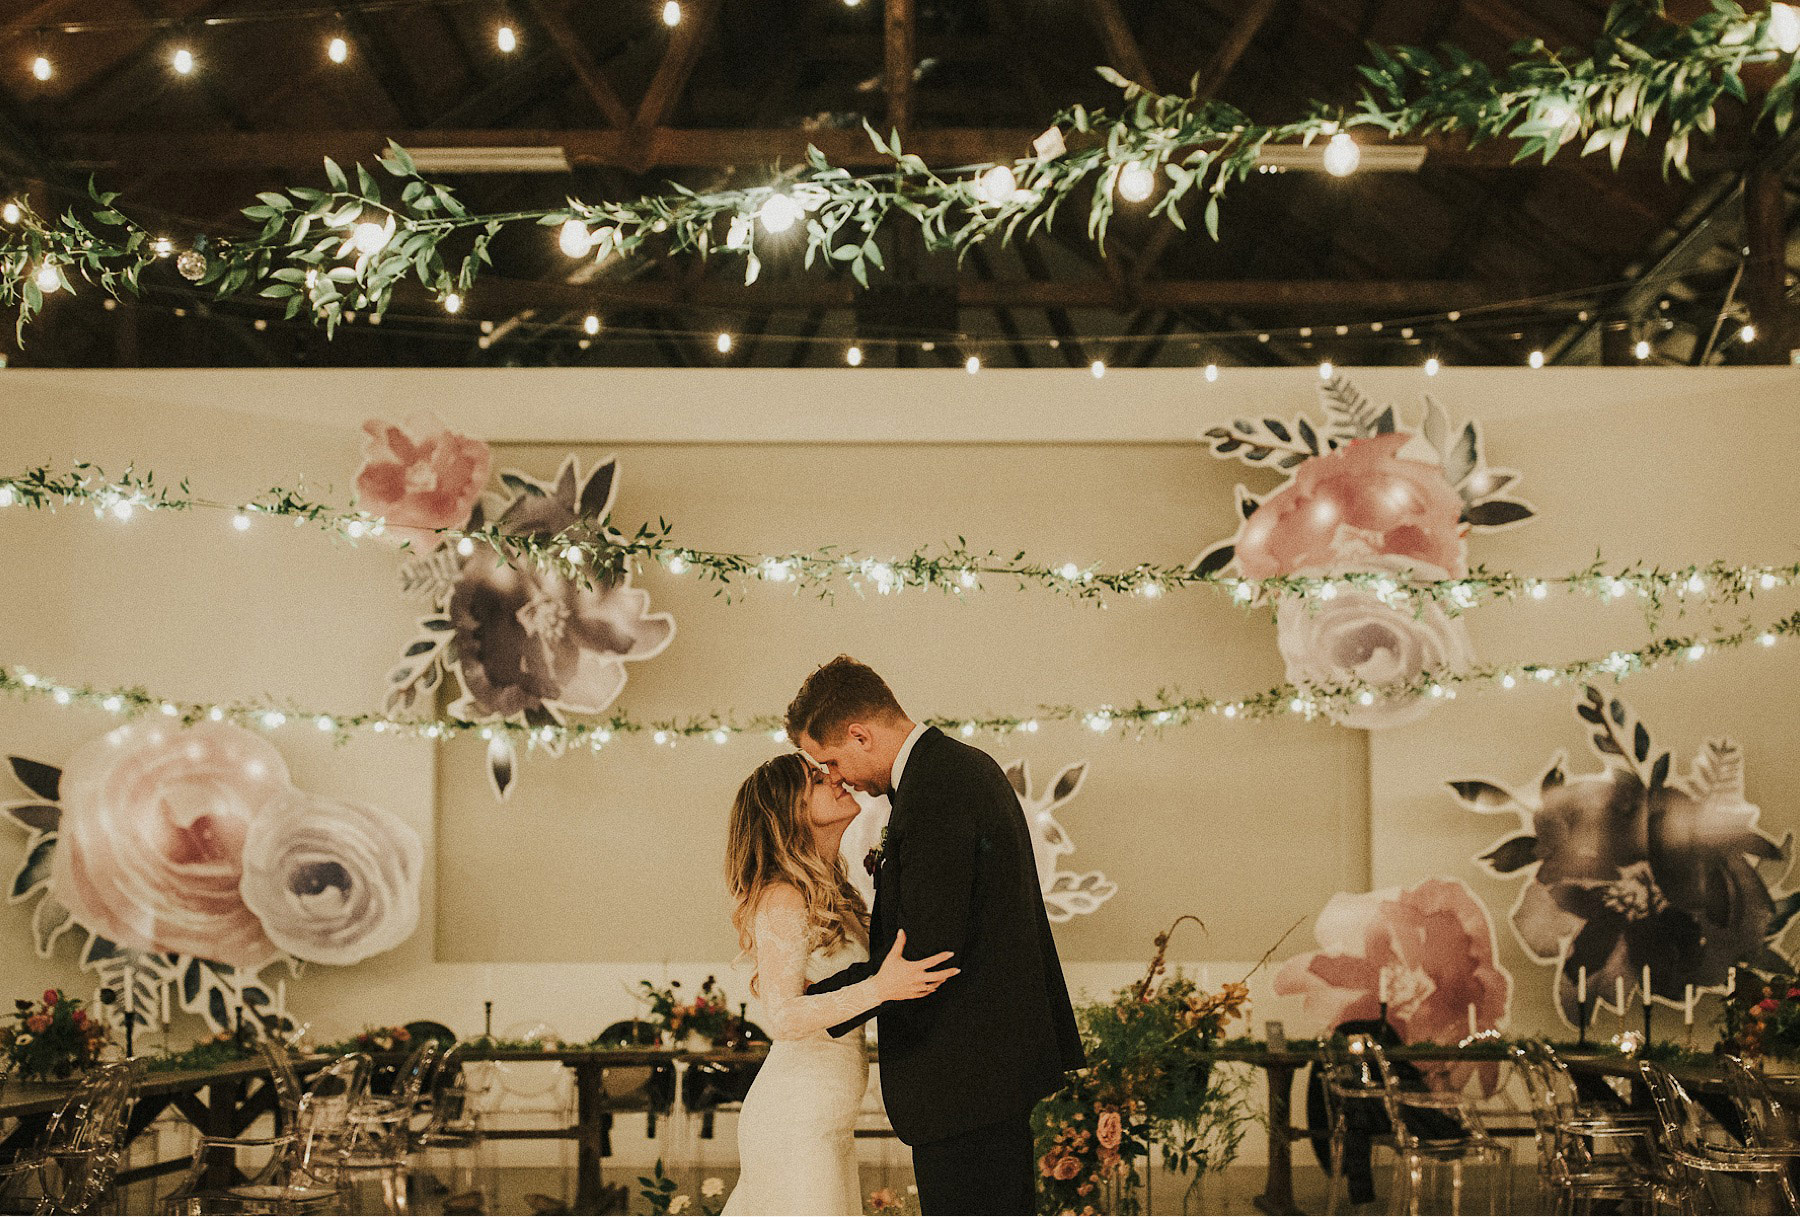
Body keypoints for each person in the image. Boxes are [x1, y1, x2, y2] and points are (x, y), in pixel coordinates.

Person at [790, 655, 1085, 1215]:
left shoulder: (937, 787)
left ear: (860, 734)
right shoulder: (955, 769)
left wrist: (812, 1002)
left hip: (966, 1076)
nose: (836, 776)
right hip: (982, 1070)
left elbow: (925, 947)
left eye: (832, 759)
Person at [723, 751, 958, 1216]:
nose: (834, 778)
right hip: (795, 1117)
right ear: (789, 810)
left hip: (827, 1121)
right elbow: (784, 1016)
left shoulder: (835, 892)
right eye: (815, 779)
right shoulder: (783, 897)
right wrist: (881, 988)